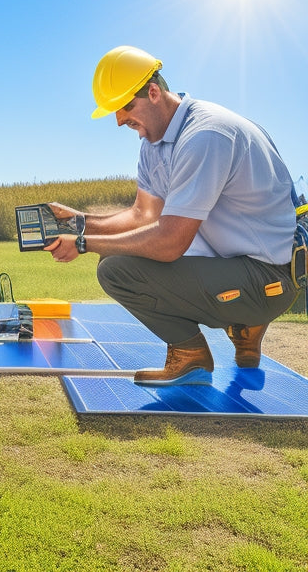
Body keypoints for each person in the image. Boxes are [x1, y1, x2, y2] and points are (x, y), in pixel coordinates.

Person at [45, 45, 298, 385]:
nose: (119, 120)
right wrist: (78, 222)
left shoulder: (205, 135)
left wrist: (84, 243)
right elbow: (142, 215)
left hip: (268, 278)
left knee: (117, 271)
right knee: (120, 257)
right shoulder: (154, 145)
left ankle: (191, 355)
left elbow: (169, 243)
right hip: (236, 266)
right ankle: (244, 326)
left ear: (153, 92)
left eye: (125, 107)